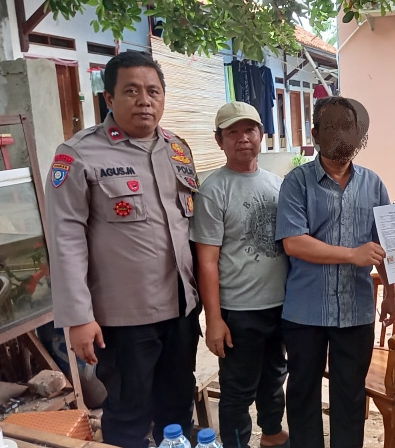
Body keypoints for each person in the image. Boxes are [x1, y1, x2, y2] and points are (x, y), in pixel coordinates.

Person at [45, 51, 201, 448]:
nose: (144, 100)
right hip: (124, 319)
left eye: (153, 91)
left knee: (177, 407)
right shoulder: (79, 155)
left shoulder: (177, 149)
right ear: (109, 98)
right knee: (130, 412)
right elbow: (65, 238)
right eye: (131, 91)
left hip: (181, 310)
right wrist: (78, 317)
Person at [275, 96, 395, 448]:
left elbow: (383, 244)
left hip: (356, 310)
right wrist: (352, 255)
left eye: (348, 127)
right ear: (315, 133)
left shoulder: (373, 184)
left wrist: (390, 295)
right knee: (302, 392)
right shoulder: (297, 182)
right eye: (331, 127)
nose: (341, 135)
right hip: (306, 310)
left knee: (350, 395)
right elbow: (294, 243)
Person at [191, 101, 289, 448]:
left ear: (262, 135)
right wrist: (214, 319)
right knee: (238, 388)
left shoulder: (278, 185)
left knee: (274, 377)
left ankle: (273, 435)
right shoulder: (213, 190)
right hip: (239, 310)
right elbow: (206, 261)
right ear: (219, 140)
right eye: (232, 132)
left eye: (249, 130)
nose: (243, 138)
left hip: (280, 305)